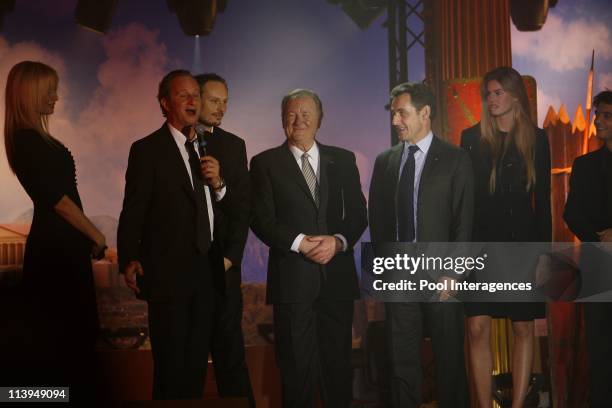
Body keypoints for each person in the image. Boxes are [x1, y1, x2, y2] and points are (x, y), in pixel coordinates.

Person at [250, 89, 367, 408]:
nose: (298, 120)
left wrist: (338, 241)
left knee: (338, 372)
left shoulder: (342, 160)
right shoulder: (264, 163)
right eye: (291, 114)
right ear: (282, 120)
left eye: (306, 114)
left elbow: (358, 213)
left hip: (337, 282)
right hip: (292, 284)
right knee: (296, 373)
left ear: (319, 120)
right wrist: (300, 243)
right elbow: (261, 219)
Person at [117, 69, 224, 399]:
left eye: (196, 94)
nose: (193, 101)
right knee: (171, 368)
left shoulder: (203, 148)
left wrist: (219, 184)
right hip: (167, 276)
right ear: (165, 103)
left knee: (195, 367)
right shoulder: (147, 150)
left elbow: (217, 209)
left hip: (205, 275)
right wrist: (128, 257)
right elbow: (133, 209)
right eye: (183, 95)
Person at [3, 60, 106, 398]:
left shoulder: (29, 139)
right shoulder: (28, 140)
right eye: (49, 91)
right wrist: (96, 235)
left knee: (66, 343)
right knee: (62, 343)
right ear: (31, 93)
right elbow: (59, 201)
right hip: (56, 253)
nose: (56, 97)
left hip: (60, 248)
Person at [368, 81, 472, 408]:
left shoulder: (456, 159)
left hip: (444, 276)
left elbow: (464, 223)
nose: (395, 120)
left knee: (449, 361)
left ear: (425, 113)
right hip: (400, 275)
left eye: (403, 113)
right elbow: (379, 221)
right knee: (402, 362)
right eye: (394, 113)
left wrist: (454, 274)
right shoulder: (385, 162)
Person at [460, 66, 551, 408]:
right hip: (480, 247)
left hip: (521, 247)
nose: (492, 99)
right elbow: (465, 202)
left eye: (498, 92)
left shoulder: (538, 139)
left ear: (515, 95)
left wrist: (544, 255)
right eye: (489, 93)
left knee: (523, 328)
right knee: (477, 328)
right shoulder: (470, 138)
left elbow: (542, 202)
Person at [194, 73, 255, 406]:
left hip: (223, 269)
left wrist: (231, 258)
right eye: (214, 100)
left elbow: (242, 208)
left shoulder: (233, 146)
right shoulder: (176, 143)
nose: (221, 108)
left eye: (225, 101)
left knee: (231, 359)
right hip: (185, 272)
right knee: (186, 366)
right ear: (194, 98)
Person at [563, 90, 612, 408]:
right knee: (600, 349)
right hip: (598, 267)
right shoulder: (583, 165)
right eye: (598, 114)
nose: (598, 120)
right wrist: (599, 240)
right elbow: (571, 213)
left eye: (607, 115)